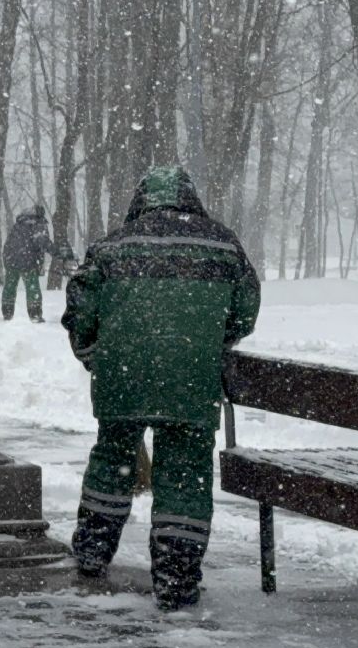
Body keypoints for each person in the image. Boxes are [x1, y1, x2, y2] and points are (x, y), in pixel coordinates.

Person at [61, 166, 260, 610]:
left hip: (123, 375)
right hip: (190, 379)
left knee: (113, 459)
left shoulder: (112, 246)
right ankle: (176, 575)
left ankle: (93, 549)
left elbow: (81, 308)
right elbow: (246, 311)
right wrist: (208, 341)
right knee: (185, 473)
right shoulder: (223, 245)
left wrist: (94, 355)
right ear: (190, 198)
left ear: (141, 199)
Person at [0, 205, 55, 322]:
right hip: (27, 259)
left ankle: (7, 312)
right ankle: (35, 314)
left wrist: (7, 259)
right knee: (32, 287)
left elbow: (9, 243)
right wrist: (55, 252)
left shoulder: (19, 223)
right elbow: (42, 241)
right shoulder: (38, 223)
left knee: (10, 285)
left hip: (10, 258)